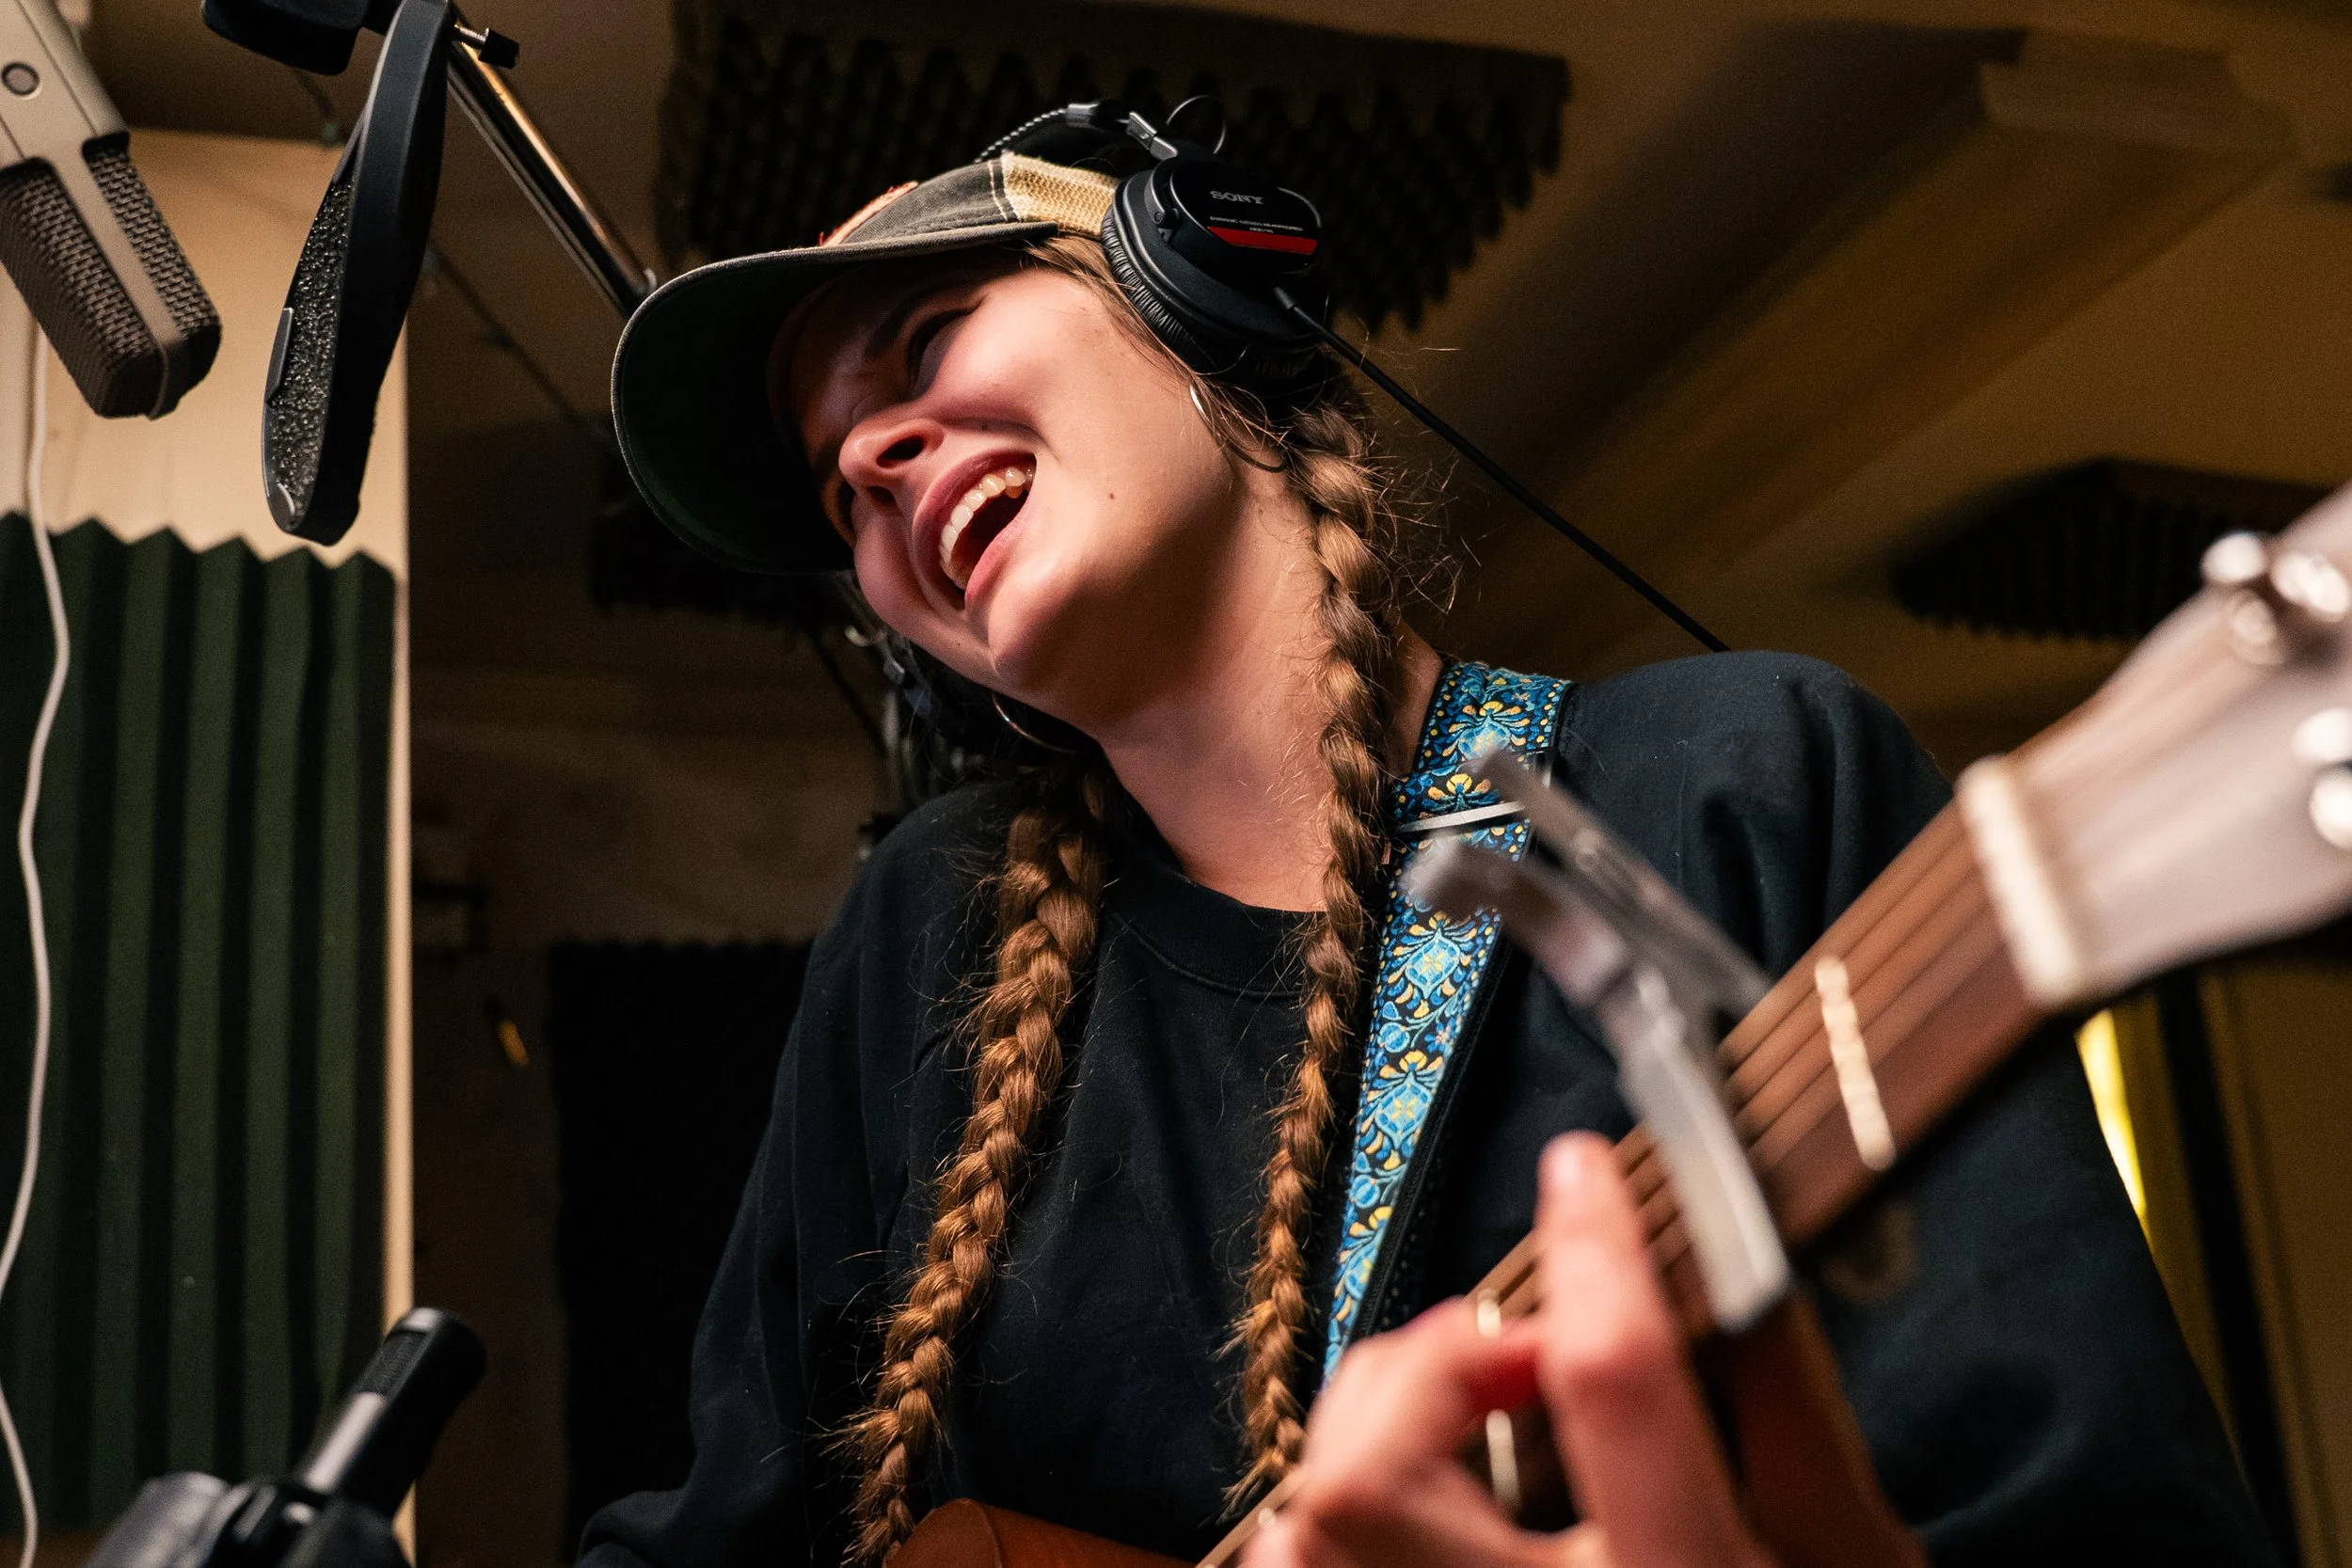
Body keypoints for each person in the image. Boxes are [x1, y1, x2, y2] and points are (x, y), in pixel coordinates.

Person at [579, 142, 2272, 1568]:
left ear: (1200, 311)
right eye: (836, 496)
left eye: (932, 337)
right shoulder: (922, 936)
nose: (873, 468)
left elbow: (2115, 1512)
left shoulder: (1738, 779)